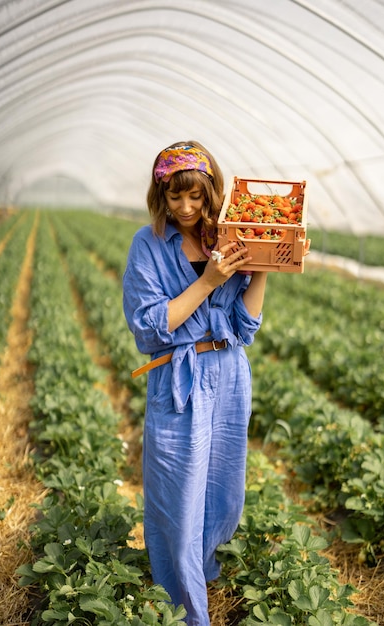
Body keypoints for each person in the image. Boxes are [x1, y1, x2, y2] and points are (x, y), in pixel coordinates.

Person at [122, 140, 268, 626]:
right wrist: (206, 281)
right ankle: (189, 612)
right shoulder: (148, 243)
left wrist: (262, 268)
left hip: (228, 376)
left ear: (211, 194)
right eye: (174, 197)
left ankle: (199, 574)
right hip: (179, 378)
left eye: (196, 197)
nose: (185, 208)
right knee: (178, 498)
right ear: (160, 196)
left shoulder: (226, 239)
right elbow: (148, 328)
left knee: (222, 493)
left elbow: (245, 327)